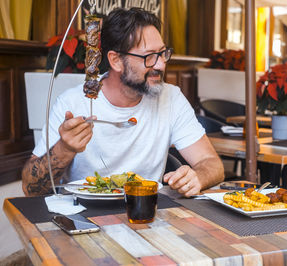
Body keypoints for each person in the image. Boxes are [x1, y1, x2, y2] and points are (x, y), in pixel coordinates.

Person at [21, 7, 224, 198]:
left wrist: (197, 177)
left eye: (162, 54)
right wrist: (64, 148)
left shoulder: (170, 98)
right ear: (116, 60)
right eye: (150, 57)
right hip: (84, 217)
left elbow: (212, 164)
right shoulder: (73, 103)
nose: (161, 64)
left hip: (146, 214)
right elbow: (30, 189)